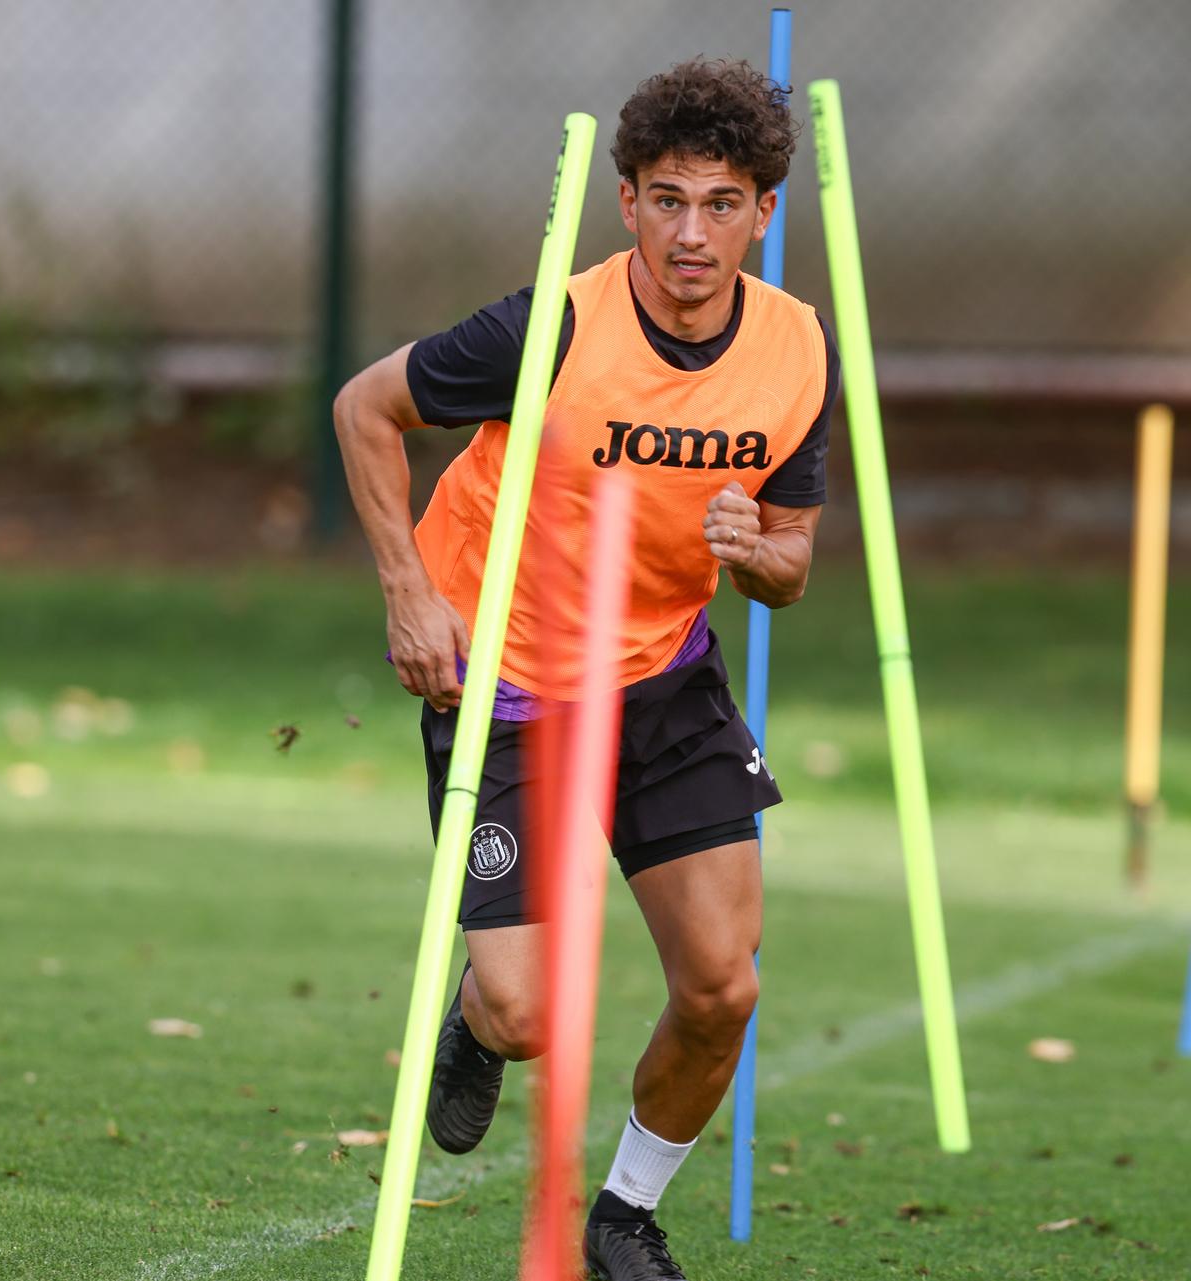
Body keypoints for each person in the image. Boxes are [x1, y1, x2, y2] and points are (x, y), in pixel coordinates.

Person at [333, 58, 839, 1281]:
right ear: (626, 204)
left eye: (722, 204)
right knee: (525, 1016)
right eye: (667, 200)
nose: (692, 233)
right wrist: (410, 594)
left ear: (764, 215)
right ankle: (473, 1020)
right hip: (504, 678)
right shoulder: (551, 326)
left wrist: (754, 552)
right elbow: (364, 408)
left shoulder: (795, 351)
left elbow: (793, 567)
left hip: (662, 679)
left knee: (723, 988)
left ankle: (624, 1215)